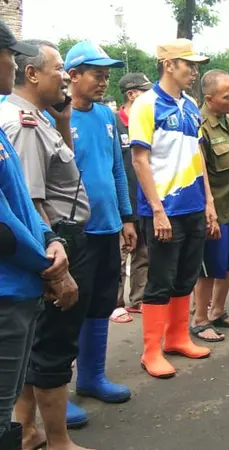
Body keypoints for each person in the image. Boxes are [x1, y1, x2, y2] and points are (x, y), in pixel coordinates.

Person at [0, 38, 96, 449]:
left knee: (31, 351)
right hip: (41, 256)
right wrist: (54, 264)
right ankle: (57, 441)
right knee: (52, 346)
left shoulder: (37, 119)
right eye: (58, 68)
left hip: (49, 247)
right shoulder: (19, 124)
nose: (65, 76)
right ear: (30, 72)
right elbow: (29, 205)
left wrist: (62, 120)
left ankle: (28, 431)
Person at [129, 39, 219, 379]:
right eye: (188, 64)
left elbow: (198, 157)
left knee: (187, 274)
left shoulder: (192, 106)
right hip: (164, 209)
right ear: (169, 65)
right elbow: (140, 160)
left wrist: (209, 202)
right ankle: (151, 350)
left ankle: (178, 337)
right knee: (160, 279)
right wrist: (156, 210)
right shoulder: (146, 105)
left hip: (194, 205)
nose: (194, 71)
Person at [64, 38, 138, 407]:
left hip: (108, 226)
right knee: (67, 310)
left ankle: (92, 378)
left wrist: (126, 217)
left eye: (106, 76)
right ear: (72, 75)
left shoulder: (107, 116)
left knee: (101, 302)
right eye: (96, 74)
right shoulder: (55, 116)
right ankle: (57, 390)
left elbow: (118, 172)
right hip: (74, 232)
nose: (103, 82)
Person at [191, 69, 229, 343]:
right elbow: (198, 174)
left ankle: (217, 311)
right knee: (208, 268)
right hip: (215, 210)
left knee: (228, 263)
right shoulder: (199, 126)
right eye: (228, 96)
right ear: (210, 97)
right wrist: (208, 209)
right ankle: (200, 319)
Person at [114, 72, 153, 321]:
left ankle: (138, 299)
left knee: (144, 253)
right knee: (120, 254)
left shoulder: (148, 121)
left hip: (145, 200)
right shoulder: (115, 122)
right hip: (122, 201)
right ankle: (114, 302)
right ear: (132, 94)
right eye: (145, 92)